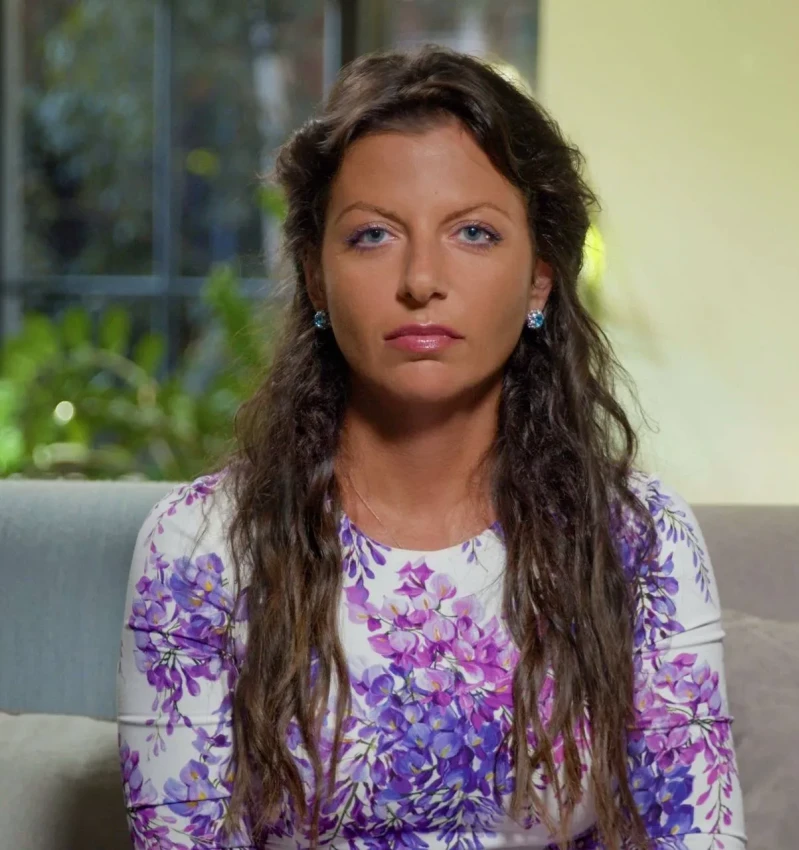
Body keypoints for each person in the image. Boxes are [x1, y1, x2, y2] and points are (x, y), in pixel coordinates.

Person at [117, 46, 746, 850]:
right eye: (373, 235)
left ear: (539, 280)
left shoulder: (641, 541)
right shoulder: (199, 546)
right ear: (316, 277)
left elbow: (693, 835)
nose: (421, 279)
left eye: (474, 232)